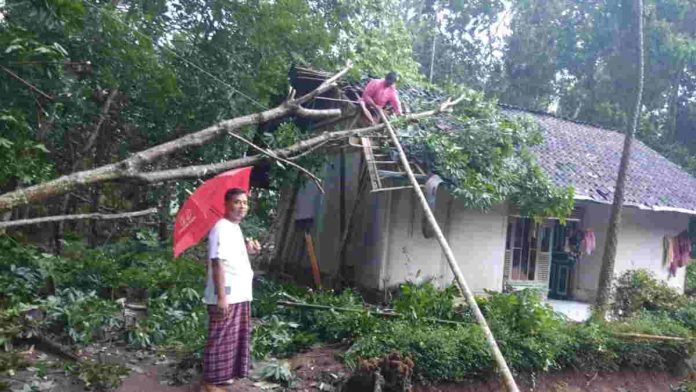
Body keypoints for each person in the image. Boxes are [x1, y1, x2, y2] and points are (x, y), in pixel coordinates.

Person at [201, 188, 261, 392]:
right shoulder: (221, 228)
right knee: (219, 339)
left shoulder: (235, 228)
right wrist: (222, 297)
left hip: (239, 294)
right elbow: (217, 263)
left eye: (244, 202)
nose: (241, 206)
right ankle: (209, 384)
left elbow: (235, 260)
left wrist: (250, 252)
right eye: (236, 202)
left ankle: (222, 376)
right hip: (227, 295)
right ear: (226, 205)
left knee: (232, 339)